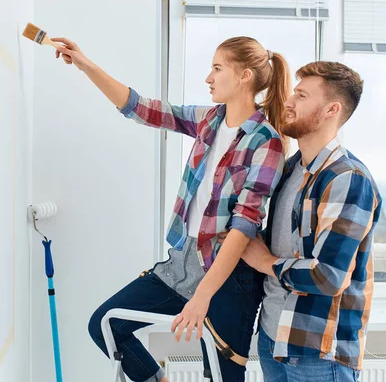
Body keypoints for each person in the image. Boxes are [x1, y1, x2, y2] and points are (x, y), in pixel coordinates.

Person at [53, 36, 290, 382]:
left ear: (244, 77)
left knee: (221, 377)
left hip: (230, 275)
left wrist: (203, 295)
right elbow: (144, 109)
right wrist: (85, 64)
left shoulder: (266, 142)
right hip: (182, 264)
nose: (208, 77)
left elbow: (243, 227)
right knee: (106, 325)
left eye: (217, 68)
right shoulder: (209, 120)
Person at [239, 61, 382, 382]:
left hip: (317, 353)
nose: (289, 101)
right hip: (273, 340)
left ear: (332, 109)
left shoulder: (347, 179)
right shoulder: (291, 169)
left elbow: (329, 277)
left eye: (301, 96)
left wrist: (266, 262)